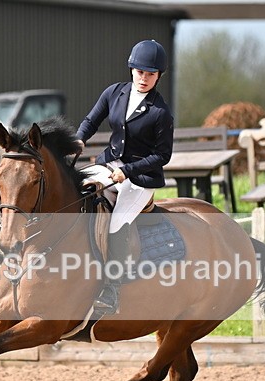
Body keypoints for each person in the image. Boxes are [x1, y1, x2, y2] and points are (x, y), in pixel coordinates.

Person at [75, 39, 175, 313]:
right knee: (76, 192)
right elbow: (90, 121)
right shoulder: (114, 93)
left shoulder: (160, 112)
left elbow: (162, 156)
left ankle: (112, 287)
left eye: (151, 74)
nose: (144, 78)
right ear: (132, 69)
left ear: (158, 76)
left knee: (117, 222)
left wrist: (127, 171)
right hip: (109, 164)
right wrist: (79, 140)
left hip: (141, 177)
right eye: (140, 72)